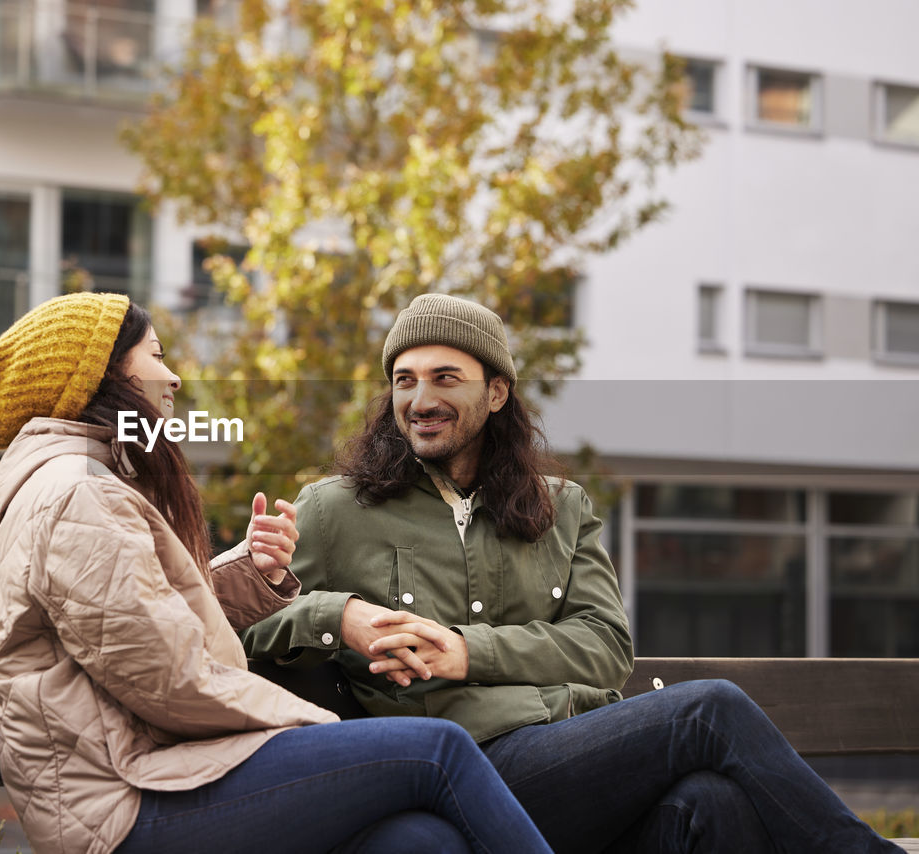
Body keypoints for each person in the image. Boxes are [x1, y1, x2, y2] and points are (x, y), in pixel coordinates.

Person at [243, 293, 902, 854]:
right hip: (466, 768)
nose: (419, 398)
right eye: (405, 380)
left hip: (574, 755)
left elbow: (607, 649)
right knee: (710, 708)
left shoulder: (561, 507)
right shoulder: (335, 507)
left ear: (496, 392)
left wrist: (467, 652)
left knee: (712, 802)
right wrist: (341, 615)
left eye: (446, 378)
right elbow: (250, 629)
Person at [0, 292, 553, 854]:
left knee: (417, 841)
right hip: (126, 803)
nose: (172, 375)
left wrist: (248, 571)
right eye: (154, 356)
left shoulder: (78, 487)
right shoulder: (78, 497)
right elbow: (168, 678)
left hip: (152, 777)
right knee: (439, 751)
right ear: (102, 375)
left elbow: (132, 628)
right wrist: (317, 729)